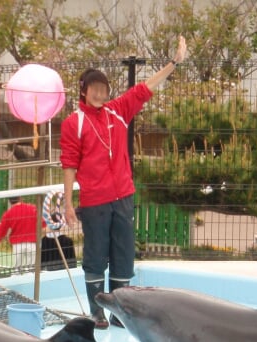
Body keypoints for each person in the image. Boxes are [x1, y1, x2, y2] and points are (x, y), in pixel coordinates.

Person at [61, 36, 188, 327]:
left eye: (103, 89)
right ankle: (97, 311)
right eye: (94, 89)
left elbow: (145, 88)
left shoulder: (118, 111)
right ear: (83, 91)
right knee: (95, 256)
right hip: (94, 201)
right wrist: (68, 203)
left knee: (123, 254)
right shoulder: (74, 123)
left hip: (123, 198)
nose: (99, 93)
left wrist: (174, 62)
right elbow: (69, 164)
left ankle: (120, 313)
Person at [0, 197, 39, 270]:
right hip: (32, 243)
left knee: (17, 269)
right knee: (31, 270)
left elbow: (0, 232)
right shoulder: (32, 208)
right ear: (20, 198)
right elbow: (43, 223)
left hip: (17, 245)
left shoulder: (9, 213)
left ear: (9, 201)